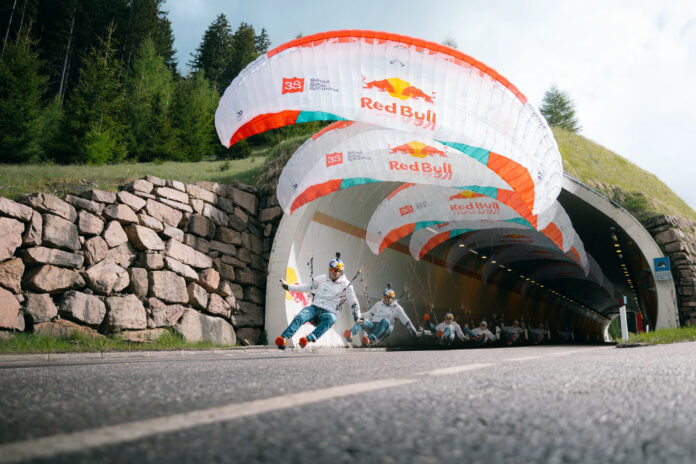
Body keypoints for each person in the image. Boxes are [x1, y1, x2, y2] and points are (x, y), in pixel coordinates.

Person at [276, 253, 360, 349]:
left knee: (332, 319)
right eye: (330, 269)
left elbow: (354, 303)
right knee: (301, 315)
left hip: (328, 313)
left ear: (340, 272)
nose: (332, 272)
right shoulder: (322, 278)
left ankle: (307, 339)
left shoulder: (347, 286)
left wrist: (357, 317)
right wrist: (288, 287)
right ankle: (283, 338)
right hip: (314, 308)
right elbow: (306, 287)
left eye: (335, 270)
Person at [344, 285, 420, 346]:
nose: (386, 299)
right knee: (361, 320)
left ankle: (371, 339)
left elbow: (406, 321)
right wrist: (358, 315)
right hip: (373, 326)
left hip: (385, 329)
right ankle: (350, 333)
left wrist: (414, 331)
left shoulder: (397, 308)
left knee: (385, 321)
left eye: (388, 298)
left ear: (392, 298)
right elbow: (370, 313)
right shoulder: (378, 304)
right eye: (385, 297)